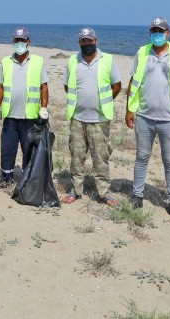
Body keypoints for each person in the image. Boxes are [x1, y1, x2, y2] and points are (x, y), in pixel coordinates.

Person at [125, 17, 170, 222]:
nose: (157, 34)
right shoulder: (142, 52)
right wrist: (129, 109)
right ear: (150, 33)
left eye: (161, 30)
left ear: (168, 33)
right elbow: (133, 81)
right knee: (141, 158)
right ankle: (137, 196)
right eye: (154, 30)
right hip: (145, 116)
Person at [62, 27, 122, 206]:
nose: (87, 44)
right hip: (78, 118)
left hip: (100, 119)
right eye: (83, 41)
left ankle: (104, 193)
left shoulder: (108, 60)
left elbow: (117, 85)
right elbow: (67, 86)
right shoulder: (73, 61)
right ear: (79, 42)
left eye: (90, 41)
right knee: (76, 156)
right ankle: (76, 190)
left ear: (95, 41)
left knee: (100, 157)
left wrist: (104, 101)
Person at [0, 26, 49, 187]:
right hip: (10, 115)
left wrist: (43, 109)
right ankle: (6, 177)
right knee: (8, 148)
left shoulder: (38, 62)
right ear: (13, 41)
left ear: (28, 41)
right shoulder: (6, 62)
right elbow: (0, 87)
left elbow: (43, 87)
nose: (19, 43)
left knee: (28, 150)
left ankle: (27, 178)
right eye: (17, 40)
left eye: (22, 40)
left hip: (29, 117)